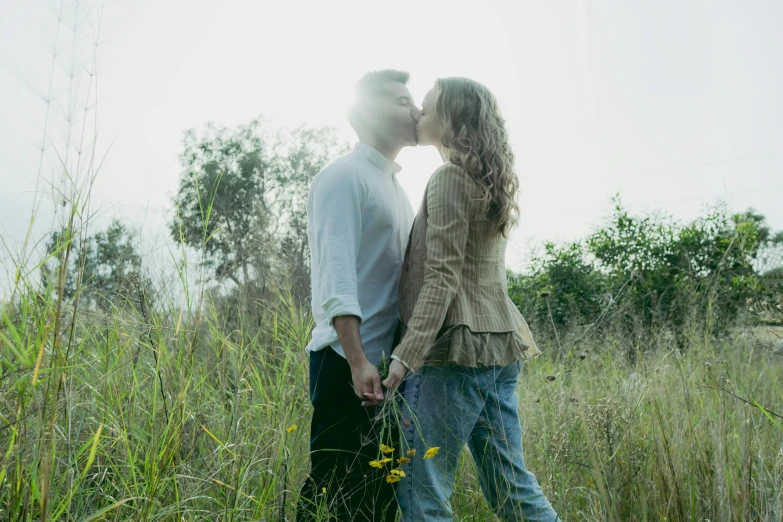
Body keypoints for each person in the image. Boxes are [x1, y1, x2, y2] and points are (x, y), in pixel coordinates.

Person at [382, 77, 560, 521]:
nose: (419, 116)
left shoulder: (447, 178)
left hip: (456, 352)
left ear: (451, 120)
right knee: (510, 486)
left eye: (426, 109)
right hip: (500, 346)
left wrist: (406, 356)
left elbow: (442, 277)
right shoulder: (490, 180)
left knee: (420, 489)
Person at [296, 69, 419, 522]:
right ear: (366, 111)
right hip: (346, 364)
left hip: (384, 372)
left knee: (377, 499)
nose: (415, 109)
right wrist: (357, 358)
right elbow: (337, 276)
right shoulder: (344, 177)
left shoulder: (395, 187)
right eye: (402, 100)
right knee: (332, 490)